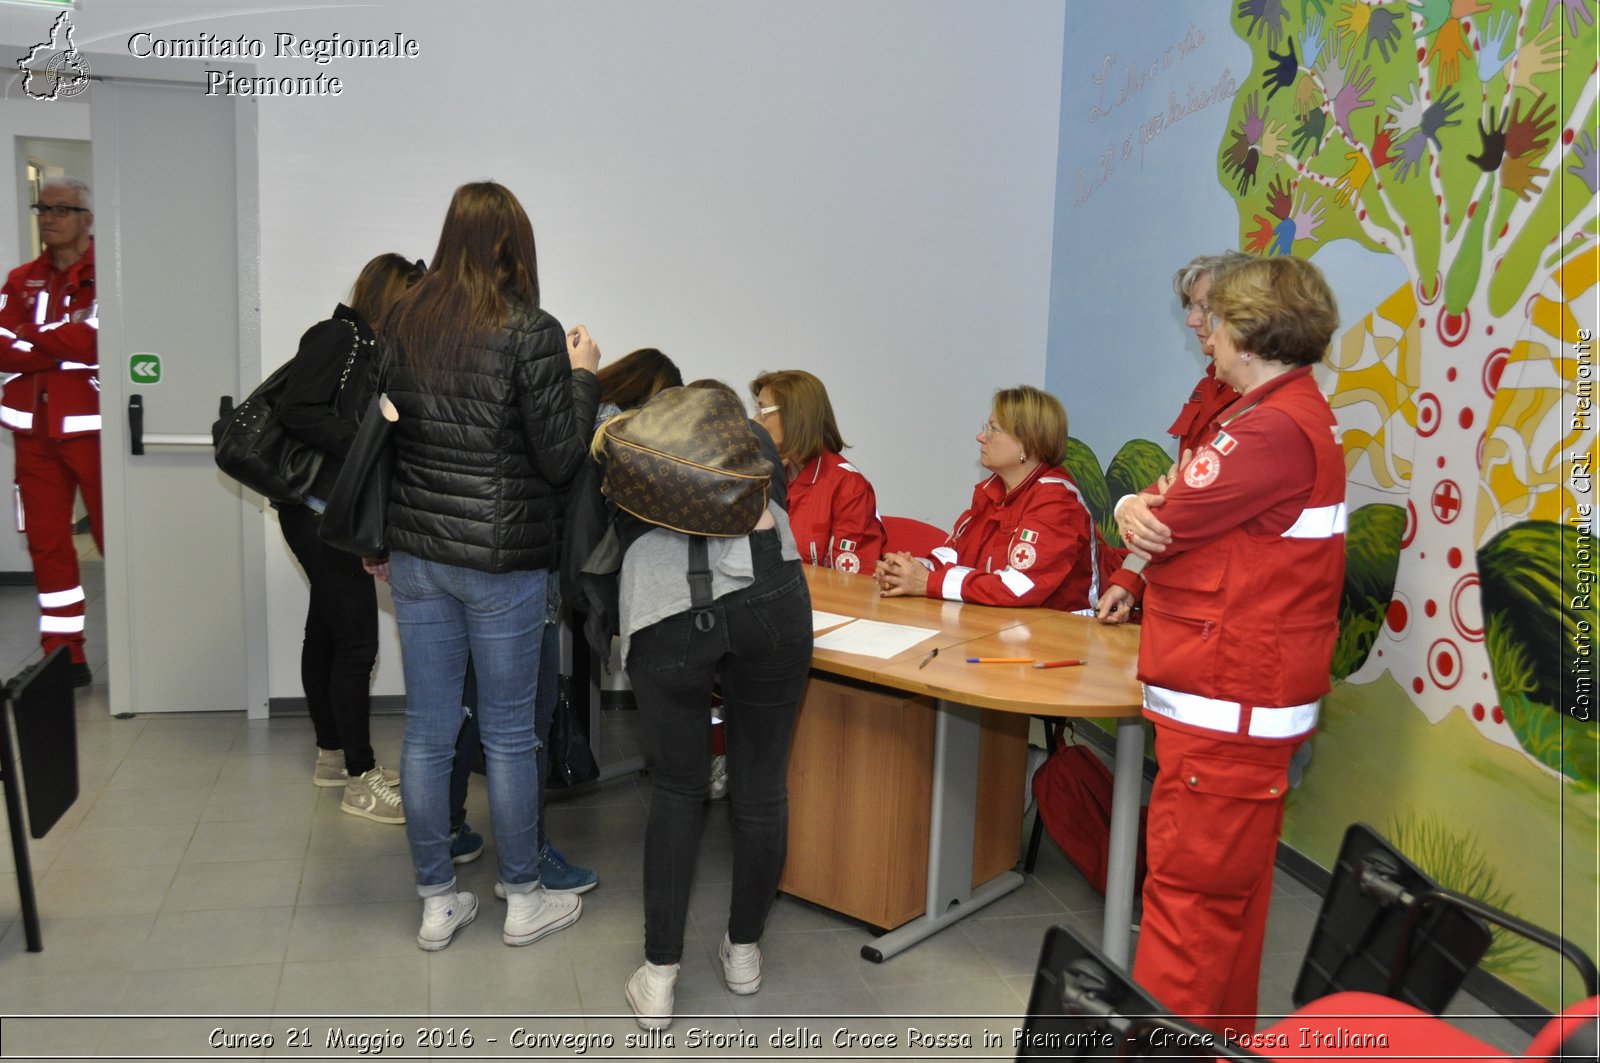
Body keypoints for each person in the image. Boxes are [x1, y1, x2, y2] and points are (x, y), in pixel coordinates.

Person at [1099, 255, 1344, 1033]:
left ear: (1249, 330)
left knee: (1187, 919)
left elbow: (1170, 517)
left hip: (1227, 716)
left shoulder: (1268, 426)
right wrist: (1144, 501)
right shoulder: (1275, 412)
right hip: (1243, 710)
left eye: (1215, 321)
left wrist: (1139, 502)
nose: (1203, 336)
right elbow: (1168, 505)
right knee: (1226, 918)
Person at [379, 181, 600, 952]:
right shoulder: (528, 330)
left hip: (417, 554)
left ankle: (438, 899)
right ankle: (525, 896)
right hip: (502, 560)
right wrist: (580, 375)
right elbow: (563, 456)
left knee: (427, 730)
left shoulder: (404, 319)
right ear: (513, 245)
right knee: (510, 735)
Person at [603, 381, 812, 1031]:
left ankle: (660, 977)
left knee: (677, 787)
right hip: (771, 598)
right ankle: (744, 949)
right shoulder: (748, 438)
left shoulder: (625, 447)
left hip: (665, 608)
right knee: (761, 787)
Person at [278, 253, 420, 822]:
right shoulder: (339, 335)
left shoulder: (369, 347)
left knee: (329, 632)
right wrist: (367, 442)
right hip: (320, 512)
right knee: (358, 643)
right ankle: (360, 778)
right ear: (390, 295)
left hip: (323, 510)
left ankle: (333, 757)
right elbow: (298, 410)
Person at [1099, 250, 1252, 623]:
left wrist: (1143, 505)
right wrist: (1130, 578)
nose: (1192, 321)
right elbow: (1168, 495)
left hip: (1221, 610)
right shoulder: (1210, 388)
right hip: (1182, 598)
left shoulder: (1260, 409)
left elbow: (1180, 503)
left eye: (1204, 308)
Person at [0, 176, 100, 687]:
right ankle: (65, 653)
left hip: (93, 433)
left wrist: (31, 339)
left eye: (61, 208)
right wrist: (54, 344)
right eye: (43, 207)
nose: (49, 216)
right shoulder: (21, 279)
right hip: (32, 436)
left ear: (87, 219)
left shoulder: (107, 273)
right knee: (47, 543)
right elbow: (0, 346)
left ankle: (141, 655)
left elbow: (96, 341)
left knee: (116, 541)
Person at [874, 385, 1100, 610]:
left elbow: (1019, 588)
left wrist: (929, 582)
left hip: (1057, 635)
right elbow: (953, 554)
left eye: (993, 429)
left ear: (1028, 443)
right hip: (997, 625)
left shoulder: (1057, 503)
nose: (981, 437)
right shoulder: (991, 492)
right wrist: (908, 570)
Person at [751, 370, 886, 575]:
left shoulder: (848, 485)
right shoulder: (766, 474)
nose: (755, 420)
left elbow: (851, 582)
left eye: (763, 410)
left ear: (798, 415)